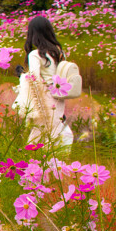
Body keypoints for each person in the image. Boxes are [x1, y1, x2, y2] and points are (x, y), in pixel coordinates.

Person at [13, 15, 73, 149]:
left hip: (44, 97)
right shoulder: (59, 52)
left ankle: (33, 162)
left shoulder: (35, 54)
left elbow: (34, 78)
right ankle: (57, 161)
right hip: (58, 95)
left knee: (39, 131)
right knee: (55, 127)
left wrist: (21, 75)